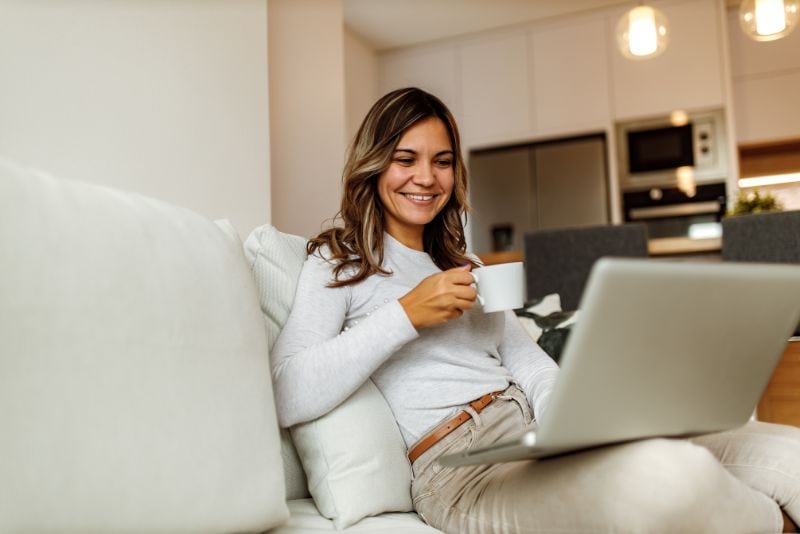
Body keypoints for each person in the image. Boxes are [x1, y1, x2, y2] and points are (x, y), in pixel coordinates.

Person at [271, 87, 800, 533]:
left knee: (789, 453)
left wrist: (569, 427)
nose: (426, 178)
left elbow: (525, 361)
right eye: (405, 159)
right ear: (373, 163)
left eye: (442, 161)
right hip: (461, 473)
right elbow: (287, 391)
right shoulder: (340, 260)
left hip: (532, 436)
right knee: (672, 474)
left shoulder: (465, 263)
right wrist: (404, 314)